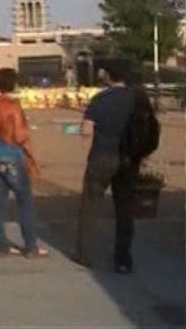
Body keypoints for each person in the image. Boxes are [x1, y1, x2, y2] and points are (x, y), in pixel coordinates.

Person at [76, 65, 141, 274]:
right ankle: (123, 259)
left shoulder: (100, 99)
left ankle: (84, 254)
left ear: (109, 76)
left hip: (102, 156)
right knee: (125, 208)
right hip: (128, 159)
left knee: (91, 204)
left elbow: (86, 130)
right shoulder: (136, 99)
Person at [0, 68, 49, 258]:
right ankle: (30, 246)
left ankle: (1, 246)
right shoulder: (14, 106)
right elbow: (20, 136)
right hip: (12, 156)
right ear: (14, 84)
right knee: (24, 203)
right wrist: (30, 154)